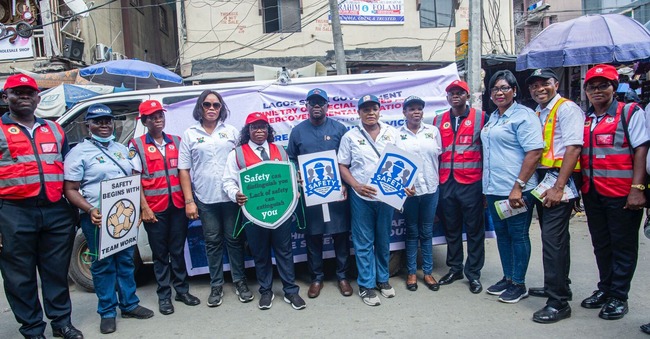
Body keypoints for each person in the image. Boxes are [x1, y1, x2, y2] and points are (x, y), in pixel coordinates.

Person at [0, 74, 83, 339]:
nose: (24, 96)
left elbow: (68, 170)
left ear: (38, 98)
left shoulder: (55, 129)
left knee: (56, 271)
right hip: (13, 211)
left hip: (55, 210)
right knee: (19, 276)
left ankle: (61, 323)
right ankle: (33, 329)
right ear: (6, 98)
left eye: (29, 92)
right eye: (18, 92)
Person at [64, 104, 154, 335]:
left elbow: (133, 180)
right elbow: (71, 189)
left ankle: (129, 304)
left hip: (123, 216)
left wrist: (136, 210)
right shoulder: (78, 153)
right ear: (88, 125)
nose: (104, 125)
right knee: (102, 265)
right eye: (98, 121)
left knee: (125, 261)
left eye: (107, 121)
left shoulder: (121, 150)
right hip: (97, 218)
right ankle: (107, 312)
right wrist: (89, 209)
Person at [579, 64, 648, 321]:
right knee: (601, 244)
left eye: (603, 85)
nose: (597, 91)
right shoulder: (587, 119)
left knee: (623, 246)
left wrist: (637, 189)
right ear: (586, 90)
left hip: (622, 193)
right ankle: (605, 288)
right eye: (592, 87)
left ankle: (619, 296)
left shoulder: (629, 112)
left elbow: (641, 150)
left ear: (614, 87)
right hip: (593, 192)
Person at [222, 112, 306, 311]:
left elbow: (290, 177)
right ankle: (266, 291)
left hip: (281, 212)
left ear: (268, 130)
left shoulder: (281, 151)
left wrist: (297, 183)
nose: (259, 131)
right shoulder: (237, 154)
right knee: (260, 254)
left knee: (285, 252)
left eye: (263, 127)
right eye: (254, 127)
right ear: (248, 130)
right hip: (254, 213)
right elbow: (228, 181)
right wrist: (236, 195)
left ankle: (290, 291)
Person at [178, 90, 252, 307]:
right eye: (207, 104)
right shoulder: (190, 134)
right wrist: (189, 201)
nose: (211, 108)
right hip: (205, 198)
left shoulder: (231, 132)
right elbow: (184, 170)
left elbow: (242, 162)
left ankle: (240, 281)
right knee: (212, 242)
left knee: (234, 240)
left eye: (216, 105)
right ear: (200, 107)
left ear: (222, 109)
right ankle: (216, 285)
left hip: (231, 197)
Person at [128, 100, 200, 316]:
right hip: (155, 209)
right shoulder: (137, 145)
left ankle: (181, 291)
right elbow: (135, 179)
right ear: (144, 120)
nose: (158, 119)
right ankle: (164, 296)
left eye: (160, 115)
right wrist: (144, 208)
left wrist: (188, 201)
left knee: (178, 251)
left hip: (177, 206)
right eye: (152, 116)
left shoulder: (176, 142)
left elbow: (183, 172)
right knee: (160, 255)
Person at [524, 69, 584, 323]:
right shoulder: (539, 112)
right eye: (534, 86)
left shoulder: (566, 108)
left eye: (544, 84)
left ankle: (558, 302)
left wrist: (559, 187)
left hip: (559, 180)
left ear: (555, 84)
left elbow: (573, 147)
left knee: (553, 241)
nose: (539, 89)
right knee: (555, 239)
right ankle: (559, 285)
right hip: (544, 179)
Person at [481, 70, 543, 303]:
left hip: (516, 190)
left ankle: (519, 282)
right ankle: (508, 277)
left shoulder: (524, 116)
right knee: (503, 235)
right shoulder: (494, 117)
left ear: (514, 91)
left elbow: (534, 151)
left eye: (505, 88)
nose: (499, 92)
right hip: (495, 189)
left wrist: (518, 186)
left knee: (518, 234)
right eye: (495, 89)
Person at [338, 94, 406, 306]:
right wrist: (356, 185)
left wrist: (404, 188)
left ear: (379, 110)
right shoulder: (350, 136)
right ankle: (366, 285)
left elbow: (402, 162)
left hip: (386, 196)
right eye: (365, 110)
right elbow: (342, 165)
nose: (370, 113)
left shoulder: (391, 133)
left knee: (383, 239)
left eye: (373, 109)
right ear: (359, 113)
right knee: (364, 242)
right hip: (361, 197)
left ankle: (382, 280)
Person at [286, 88, 353, 298]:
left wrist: (345, 183)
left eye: (320, 103)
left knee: (340, 235)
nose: (316, 106)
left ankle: (342, 276)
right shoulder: (297, 131)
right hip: (311, 192)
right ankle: (317, 278)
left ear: (327, 106)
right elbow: (291, 158)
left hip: (336, 192)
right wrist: (296, 173)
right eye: (312, 102)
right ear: (306, 106)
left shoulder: (339, 129)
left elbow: (346, 159)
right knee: (313, 236)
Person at [433, 80, 486, 294]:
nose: (455, 96)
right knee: (451, 230)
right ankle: (455, 268)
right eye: (452, 93)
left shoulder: (481, 118)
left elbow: (487, 151)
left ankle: (473, 274)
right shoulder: (438, 120)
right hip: (447, 183)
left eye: (459, 93)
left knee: (474, 231)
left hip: (471, 183)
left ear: (467, 96)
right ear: (447, 98)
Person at [399, 95, 442, 292]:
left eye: (419, 109)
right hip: (409, 192)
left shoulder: (433, 131)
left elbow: (437, 158)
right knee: (411, 232)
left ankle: (427, 272)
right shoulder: (397, 135)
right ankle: (411, 273)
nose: (416, 112)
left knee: (426, 232)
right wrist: (403, 185)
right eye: (412, 109)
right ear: (404, 112)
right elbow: (395, 165)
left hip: (431, 188)